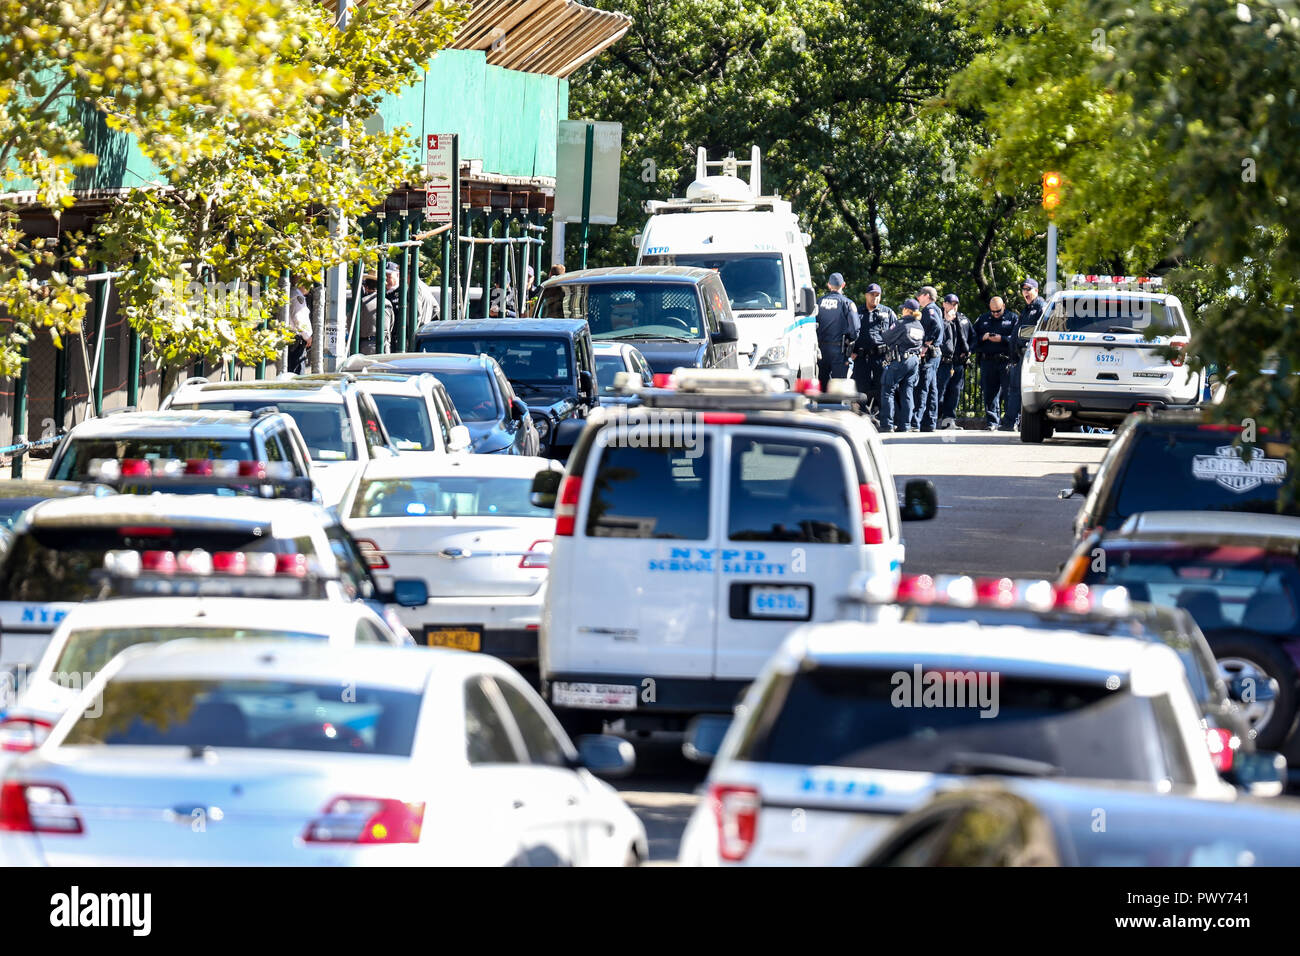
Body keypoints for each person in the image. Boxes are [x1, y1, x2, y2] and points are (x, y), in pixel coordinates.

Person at [1006, 278, 1046, 431]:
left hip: (1031, 355)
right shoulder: (1027, 308)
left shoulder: (1040, 307)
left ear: (1036, 290)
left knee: (1024, 389)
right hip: (1021, 354)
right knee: (1016, 388)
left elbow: (1038, 331)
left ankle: (1014, 422)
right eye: (1023, 289)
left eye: (1029, 289)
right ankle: (1012, 422)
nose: (1025, 292)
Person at [878, 299, 925, 432]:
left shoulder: (901, 324)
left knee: (888, 390)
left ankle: (887, 424)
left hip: (900, 361)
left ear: (907, 310)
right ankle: (905, 425)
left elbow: (886, 337)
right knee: (907, 392)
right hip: (914, 362)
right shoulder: (919, 326)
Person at [973, 295, 1020, 429]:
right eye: (993, 311)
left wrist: (1002, 339)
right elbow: (972, 337)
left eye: (998, 311)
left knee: (1009, 393)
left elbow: (1017, 338)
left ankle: (1010, 422)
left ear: (1003, 307)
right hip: (987, 360)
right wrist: (984, 337)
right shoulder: (983, 319)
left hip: (1006, 360)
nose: (995, 314)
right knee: (989, 392)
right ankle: (992, 421)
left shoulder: (1013, 318)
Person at [851, 283, 895, 418]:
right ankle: (862, 415)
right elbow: (850, 332)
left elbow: (897, 333)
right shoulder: (857, 312)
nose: (874, 298)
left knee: (881, 386)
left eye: (877, 295)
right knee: (861, 387)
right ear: (866, 295)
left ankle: (883, 418)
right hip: (861, 357)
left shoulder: (887, 312)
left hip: (881, 357)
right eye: (872, 295)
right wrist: (851, 350)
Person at [909, 286, 946, 432]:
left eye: (920, 296)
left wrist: (926, 344)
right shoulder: (936, 309)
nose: (918, 299)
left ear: (926, 295)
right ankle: (929, 422)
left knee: (923, 387)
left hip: (930, 354)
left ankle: (916, 422)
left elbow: (935, 326)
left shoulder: (929, 309)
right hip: (935, 354)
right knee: (932, 388)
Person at [815, 272, 859, 391]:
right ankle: (835, 409)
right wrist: (851, 341)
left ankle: (820, 408)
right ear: (843, 285)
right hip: (839, 351)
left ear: (829, 285)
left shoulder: (819, 302)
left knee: (821, 385)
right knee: (838, 388)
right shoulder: (847, 303)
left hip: (821, 350)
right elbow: (855, 329)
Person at [937, 293, 974, 428]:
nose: (953, 306)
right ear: (944, 304)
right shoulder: (938, 318)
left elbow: (973, 337)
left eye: (955, 304)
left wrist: (969, 351)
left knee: (955, 392)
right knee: (939, 392)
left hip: (958, 362)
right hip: (942, 362)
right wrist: (945, 321)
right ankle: (933, 419)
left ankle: (948, 421)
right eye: (950, 303)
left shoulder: (963, 319)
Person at [358, 271, 395, 355]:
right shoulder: (387, 303)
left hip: (367, 345)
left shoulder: (362, 303)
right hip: (385, 345)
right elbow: (391, 325)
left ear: (366, 287)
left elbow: (351, 325)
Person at [284, 280, 312, 374]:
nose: (310, 287)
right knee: (297, 371)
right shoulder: (297, 296)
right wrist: (307, 337)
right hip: (297, 339)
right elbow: (298, 319)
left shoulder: (292, 293)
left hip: (292, 338)